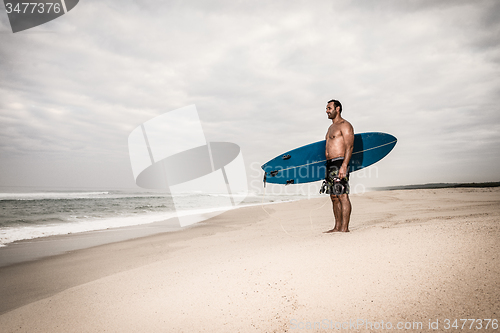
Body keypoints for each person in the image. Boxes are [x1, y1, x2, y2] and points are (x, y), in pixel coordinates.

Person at [323, 99, 354, 233]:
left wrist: (344, 165)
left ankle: (344, 228)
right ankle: (337, 227)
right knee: (334, 197)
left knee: (342, 195)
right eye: (326, 108)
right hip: (330, 164)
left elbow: (349, 146)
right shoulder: (330, 128)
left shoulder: (345, 125)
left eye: (329, 108)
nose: (327, 111)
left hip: (339, 162)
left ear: (338, 109)